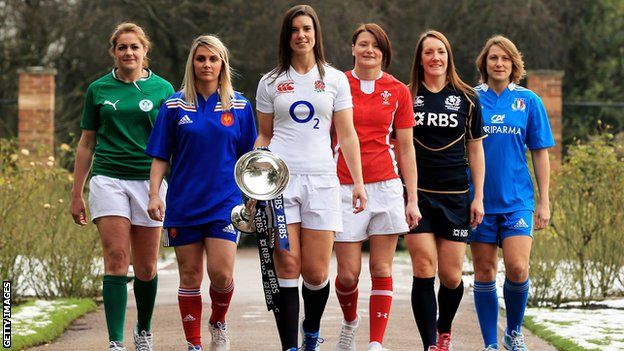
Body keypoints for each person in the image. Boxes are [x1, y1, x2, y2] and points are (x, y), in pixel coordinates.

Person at [254, 4, 367, 351]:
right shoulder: (270, 81)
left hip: (322, 181)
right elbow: (264, 135)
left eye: (307, 29)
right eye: (294, 30)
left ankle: (311, 332)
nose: (301, 35)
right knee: (287, 263)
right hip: (281, 182)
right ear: (286, 37)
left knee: (316, 274)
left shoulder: (334, 79)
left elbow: (347, 135)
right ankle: (290, 345)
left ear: (316, 34)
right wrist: (254, 180)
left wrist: (359, 182)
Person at [145, 35, 257, 351]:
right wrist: (155, 194)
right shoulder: (173, 105)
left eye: (213, 59)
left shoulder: (240, 106)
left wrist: (252, 197)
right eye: (201, 59)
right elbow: (160, 156)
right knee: (190, 276)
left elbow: (249, 158)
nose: (206, 64)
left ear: (223, 64)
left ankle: (218, 323)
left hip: (226, 202)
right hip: (183, 203)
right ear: (192, 63)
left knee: (221, 275)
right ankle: (194, 343)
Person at [70, 22, 174, 351]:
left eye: (134, 47)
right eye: (122, 47)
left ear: (145, 52)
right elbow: (87, 143)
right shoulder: (98, 90)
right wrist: (77, 193)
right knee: (116, 257)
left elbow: (176, 143)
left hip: (149, 183)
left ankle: (143, 330)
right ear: (114, 52)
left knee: (145, 266)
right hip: (108, 179)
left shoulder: (163, 89)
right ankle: (115, 341)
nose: (128, 53)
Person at [333, 23, 421, 351]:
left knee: (381, 267)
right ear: (353, 48)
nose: (370, 50)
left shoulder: (398, 91)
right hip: (344, 187)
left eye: (377, 46)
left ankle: (375, 343)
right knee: (347, 275)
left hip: (386, 186)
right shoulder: (337, 84)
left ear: (384, 53)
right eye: (364, 44)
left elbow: (406, 148)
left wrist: (411, 198)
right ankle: (350, 322)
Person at [471, 35, 554, 351]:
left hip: (518, 201)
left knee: (518, 268)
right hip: (479, 201)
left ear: (514, 64)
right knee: (485, 271)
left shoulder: (529, 101)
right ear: (485, 63)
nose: (499, 63)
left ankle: (513, 331)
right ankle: (491, 342)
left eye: (505, 58)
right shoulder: (472, 98)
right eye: (493, 58)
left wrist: (544, 201)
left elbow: (540, 152)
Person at [406, 30, 486, 351]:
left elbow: (476, 150)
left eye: (440, 51)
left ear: (448, 56)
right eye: (428, 52)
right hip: (418, 195)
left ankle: (444, 329)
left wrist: (478, 196)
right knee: (424, 268)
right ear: (420, 59)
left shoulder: (467, 98)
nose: (435, 58)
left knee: (452, 277)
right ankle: (429, 345)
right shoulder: (407, 95)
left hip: (455, 197)